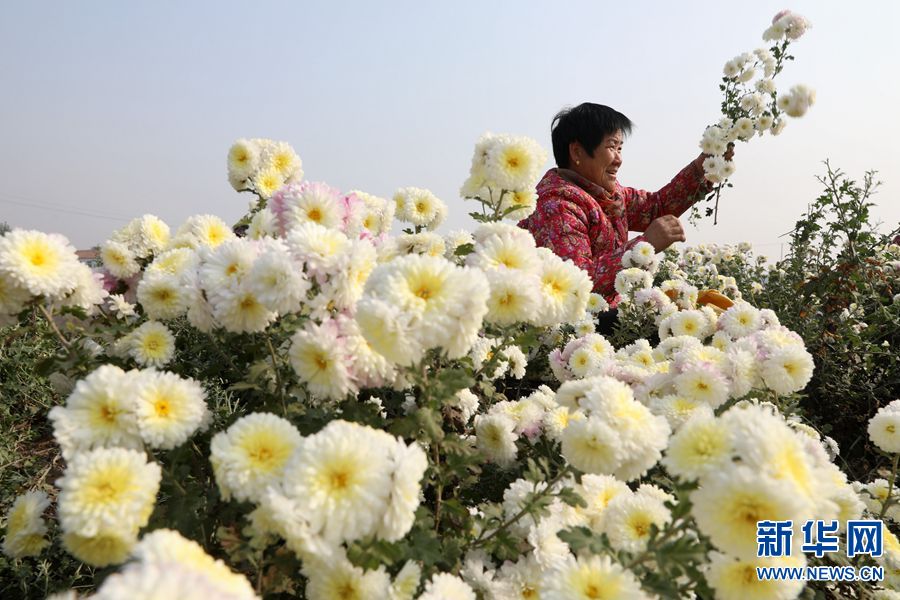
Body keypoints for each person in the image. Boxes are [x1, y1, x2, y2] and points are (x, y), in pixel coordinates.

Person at [519, 103, 731, 308]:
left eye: (620, 148)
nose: (619, 159)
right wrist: (644, 246)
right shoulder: (557, 206)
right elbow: (574, 287)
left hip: (604, 318)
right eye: (612, 147)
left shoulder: (610, 195)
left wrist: (704, 166)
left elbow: (656, 206)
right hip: (567, 332)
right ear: (576, 152)